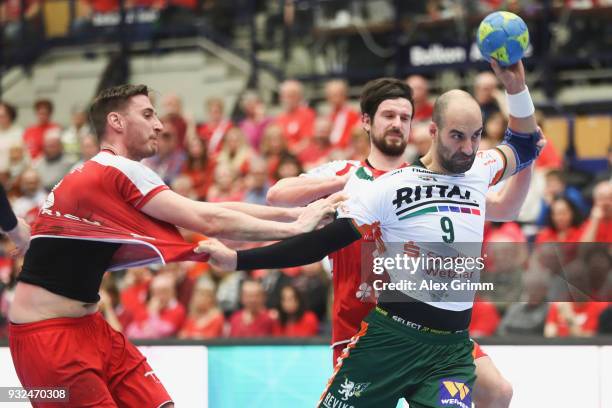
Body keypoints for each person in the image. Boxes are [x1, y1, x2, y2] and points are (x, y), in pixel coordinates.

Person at [200, 60, 541, 408]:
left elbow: (520, 158)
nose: (468, 147)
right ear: (366, 121)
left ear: (418, 126)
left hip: (447, 345)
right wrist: (241, 258)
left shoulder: (473, 169)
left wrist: (516, 88)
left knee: (499, 391)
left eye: (405, 117)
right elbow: (297, 218)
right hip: (373, 332)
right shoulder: (364, 179)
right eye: (388, 115)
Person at [7, 84, 336, 408]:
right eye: (148, 114)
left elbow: (207, 209)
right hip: (48, 337)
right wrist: (296, 227)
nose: (160, 125)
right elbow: (208, 220)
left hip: (91, 327)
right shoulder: (116, 169)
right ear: (116, 122)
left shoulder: (106, 172)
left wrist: (297, 215)